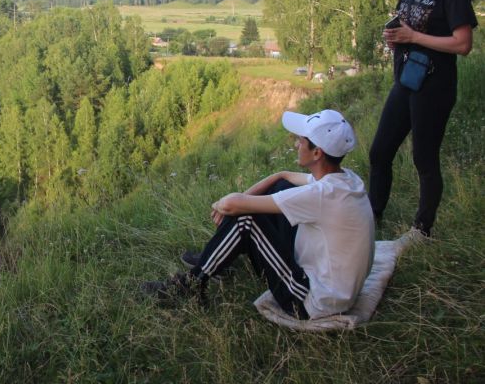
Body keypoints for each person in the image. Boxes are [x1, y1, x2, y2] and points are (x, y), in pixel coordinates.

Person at [142, 110, 374, 320]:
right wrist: (271, 179)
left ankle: (190, 285)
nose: (296, 144)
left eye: (300, 141)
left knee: (246, 219)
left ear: (317, 153)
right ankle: (218, 259)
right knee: (280, 187)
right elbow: (284, 176)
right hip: (335, 289)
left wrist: (220, 204)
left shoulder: (320, 196)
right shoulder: (345, 180)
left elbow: (232, 205)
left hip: (312, 300)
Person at [369, 0, 478, 237]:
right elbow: (405, 25)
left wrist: (413, 37)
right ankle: (372, 218)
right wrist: (395, 38)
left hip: (435, 87)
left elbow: (463, 44)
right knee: (379, 152)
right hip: (405, 80)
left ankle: (421, 230)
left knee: (424, 158)